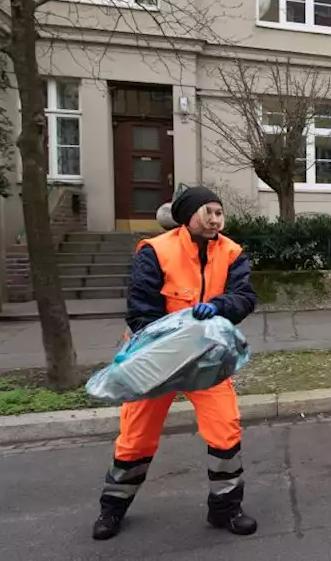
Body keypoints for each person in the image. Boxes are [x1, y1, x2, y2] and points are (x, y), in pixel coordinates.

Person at [91, 186, 259, 541]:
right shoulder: (156, 251)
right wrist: (175, 340)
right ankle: (112, 509)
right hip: (155, 361)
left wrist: (219, 306)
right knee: (135, 439)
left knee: (225, 429)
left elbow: (244, 298)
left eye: (219, 212)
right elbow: (141, 312)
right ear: (189, 216)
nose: (216, 219)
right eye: (208, 212)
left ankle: (226, 509)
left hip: (206, 359)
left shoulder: (231, 252)